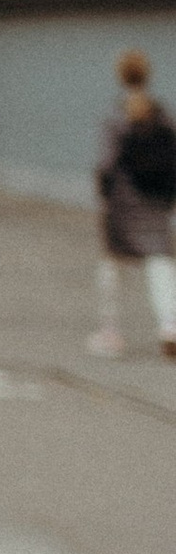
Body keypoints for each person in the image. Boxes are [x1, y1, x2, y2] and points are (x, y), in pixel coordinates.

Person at [90, 48, 176, 359]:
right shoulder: (161, 114)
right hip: (156, 200)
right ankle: (170, 325)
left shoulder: (116, 115)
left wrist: (103, 194)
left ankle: (111, 332)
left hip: (124, 201)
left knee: (113, 264)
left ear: (121, 76)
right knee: (160, 262)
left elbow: (106, 163)